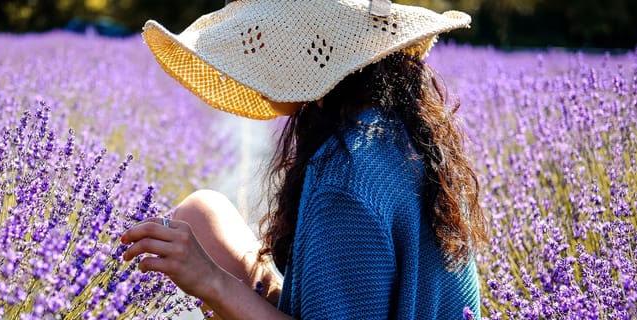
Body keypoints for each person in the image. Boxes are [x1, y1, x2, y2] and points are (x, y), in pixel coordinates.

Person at [120, 0, 489, 318]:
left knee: (203, 257)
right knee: (202, 214)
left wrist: (210, 281)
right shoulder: (394, 127)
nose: (255, 58)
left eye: (265, 39)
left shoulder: (345, 178)